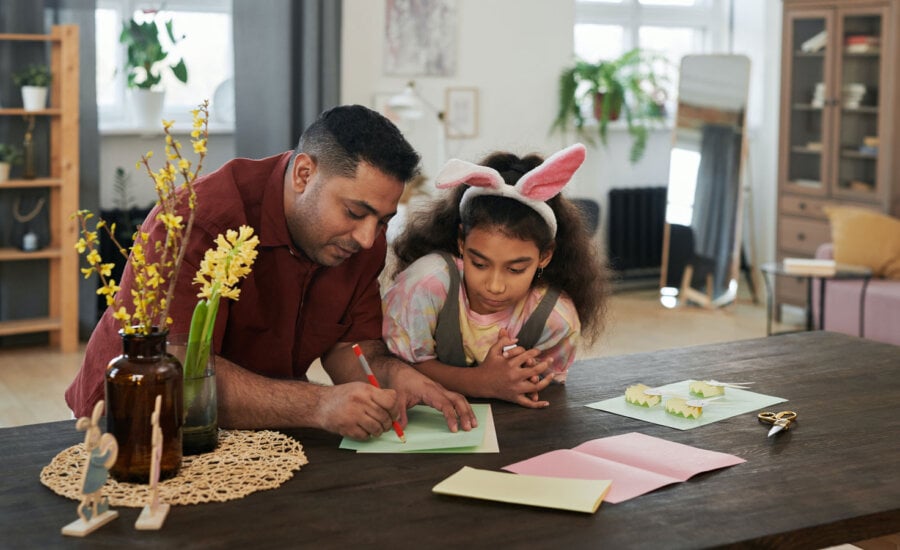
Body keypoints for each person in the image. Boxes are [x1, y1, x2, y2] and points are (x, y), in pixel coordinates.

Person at [66, 105, 477, 440]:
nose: (369, 239)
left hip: (266, 431)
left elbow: (353, 350)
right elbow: (181, 375)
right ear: (303, 174)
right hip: (130, 426)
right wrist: (318, 404)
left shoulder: (361, 240)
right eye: (355, 212)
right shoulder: (195, 221)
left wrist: (396, 377)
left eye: (383, 220)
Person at [383, 143, 608, 408]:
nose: (495, 286)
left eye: (515, 269)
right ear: (461, 243)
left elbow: (542, 396)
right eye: (479, 264)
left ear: (545, 255)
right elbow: (394, 368)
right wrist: (480, 381)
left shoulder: (555, 320)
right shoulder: (425, 284)